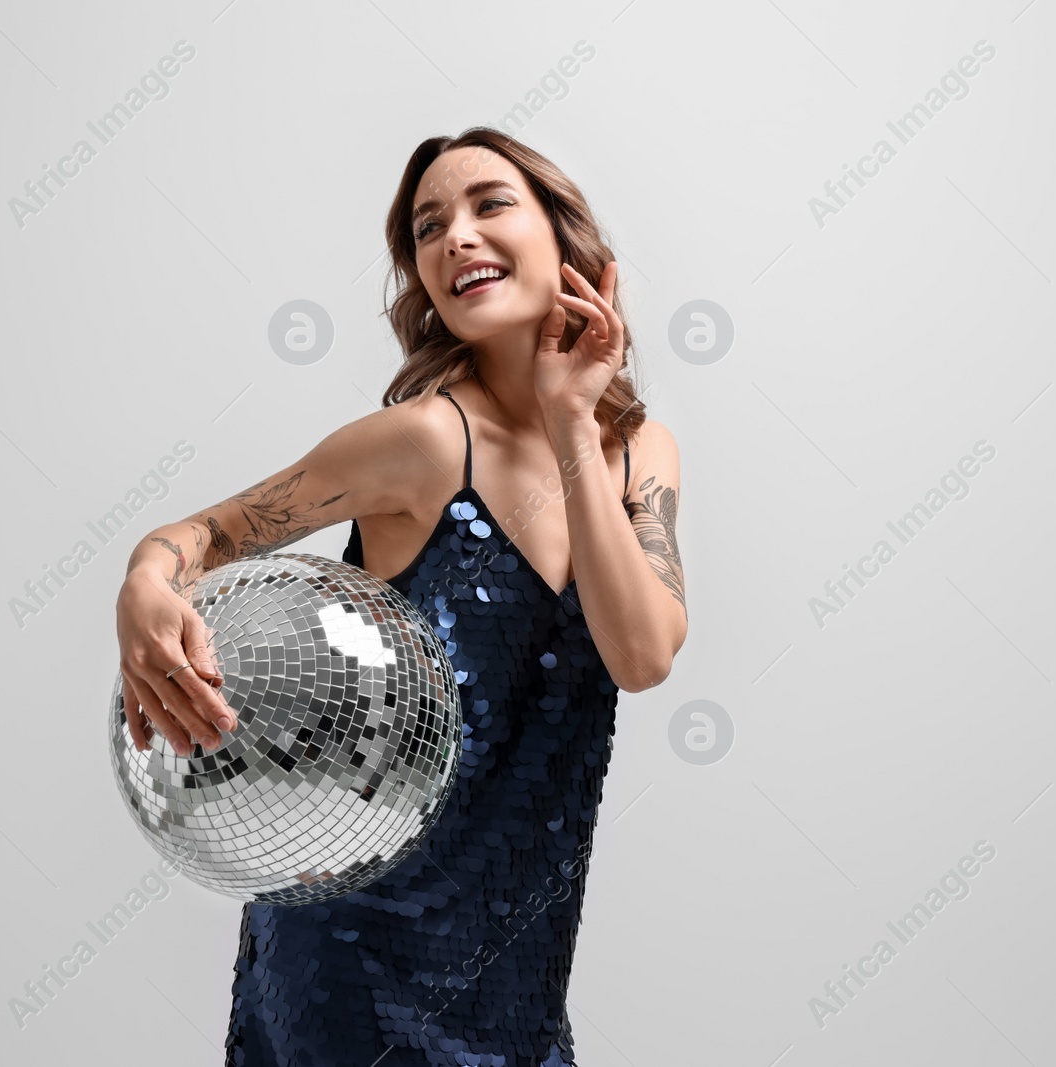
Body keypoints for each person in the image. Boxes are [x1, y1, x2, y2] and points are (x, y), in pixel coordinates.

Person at [114, 126, 687, 1066]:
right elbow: (202, 537)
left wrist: (571, 422)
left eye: (489, 204)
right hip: (353, 960)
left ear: (566, 238)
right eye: (428, 227)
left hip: (519, 980)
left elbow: (643, 655)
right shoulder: (420, 441)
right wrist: (144, 579)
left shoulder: (638, 452)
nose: (455, 236)